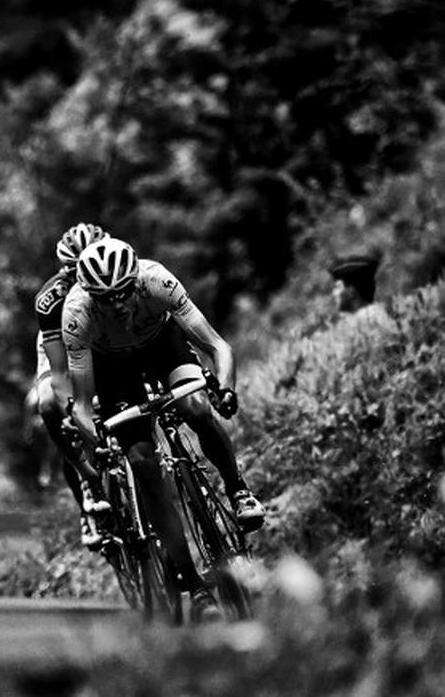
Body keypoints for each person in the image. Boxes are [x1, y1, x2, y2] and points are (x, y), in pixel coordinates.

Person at [61, 236, 266, 622]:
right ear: (89, 296)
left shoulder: (157, 281)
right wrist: (94, 437)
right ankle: (191, 582)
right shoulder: (77, 314)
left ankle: (238, 491)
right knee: (141, 463)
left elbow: (219, 347)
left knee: (196, 407)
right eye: (106, 298)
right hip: (111, 370)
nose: (118, 303)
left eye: (123, 292)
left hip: (161, 346)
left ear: (135, 281)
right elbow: (84, 405)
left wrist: (225, 388)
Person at [32, 222, 110, 547]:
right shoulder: (52, 299)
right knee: (51, 403)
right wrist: (75, 405)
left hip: (104, 346)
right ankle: (86, 485)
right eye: (73, 269)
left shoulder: (120, 278)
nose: (83, 276)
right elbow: (59, 373)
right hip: (59, 350)